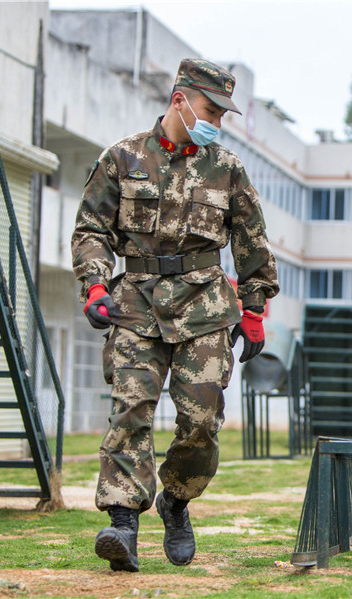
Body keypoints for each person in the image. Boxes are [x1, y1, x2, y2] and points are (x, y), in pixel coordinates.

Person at [71, 59, 279, 572]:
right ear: (180, 99)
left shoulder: (227, 168)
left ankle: (176, 500)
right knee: (130, 410)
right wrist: (95, 283)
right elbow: (90, 229)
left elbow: (252, 245)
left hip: (205, 308)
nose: (216, 121)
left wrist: (254, 311)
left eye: (223, 114)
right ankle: (123, 526)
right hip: (135, 304)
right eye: (211, 109)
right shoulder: (122, 157)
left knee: (201, 422)